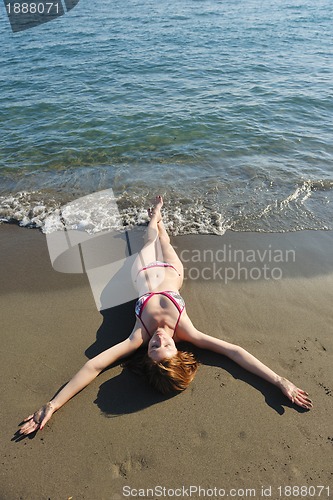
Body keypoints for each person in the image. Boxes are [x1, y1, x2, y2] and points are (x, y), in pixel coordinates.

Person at [18, 196, 312, 435]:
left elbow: (93, 366)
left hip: (143, 273)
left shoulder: (138, 336)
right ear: (178, 350)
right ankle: (159, 215)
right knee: (165, 243)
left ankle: (153, 217)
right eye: (166, 346)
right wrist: (279, 381)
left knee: (148, 243)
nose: (159, 340)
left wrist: (53, 404)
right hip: (172, 273)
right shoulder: (188, 333)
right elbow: (234, 352)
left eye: (153, 348)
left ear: (146, 353)